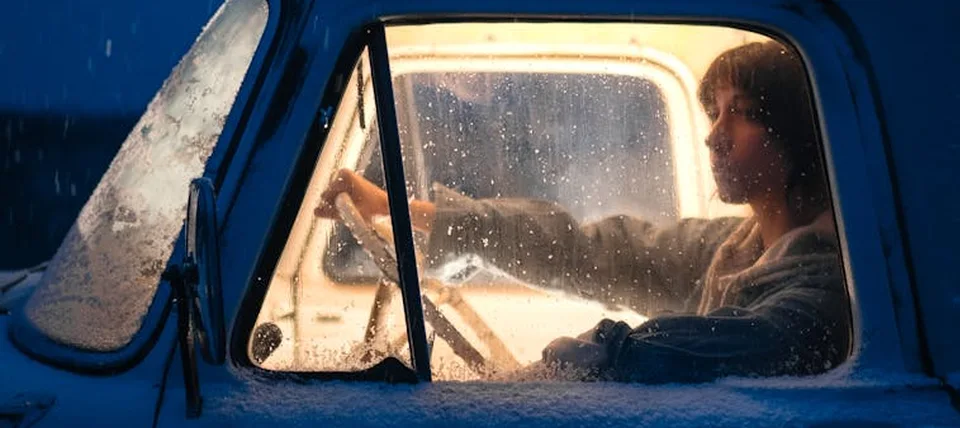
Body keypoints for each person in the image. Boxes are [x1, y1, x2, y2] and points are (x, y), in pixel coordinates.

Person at [317, 40, 851, 383]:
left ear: (804, 136)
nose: (714, 137)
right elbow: (586, 249)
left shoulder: (825, 290)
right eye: (715, 113)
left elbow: (737, 343)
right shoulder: (730, 250)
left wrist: (602, 354)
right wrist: (392, 207)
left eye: (744, 115)